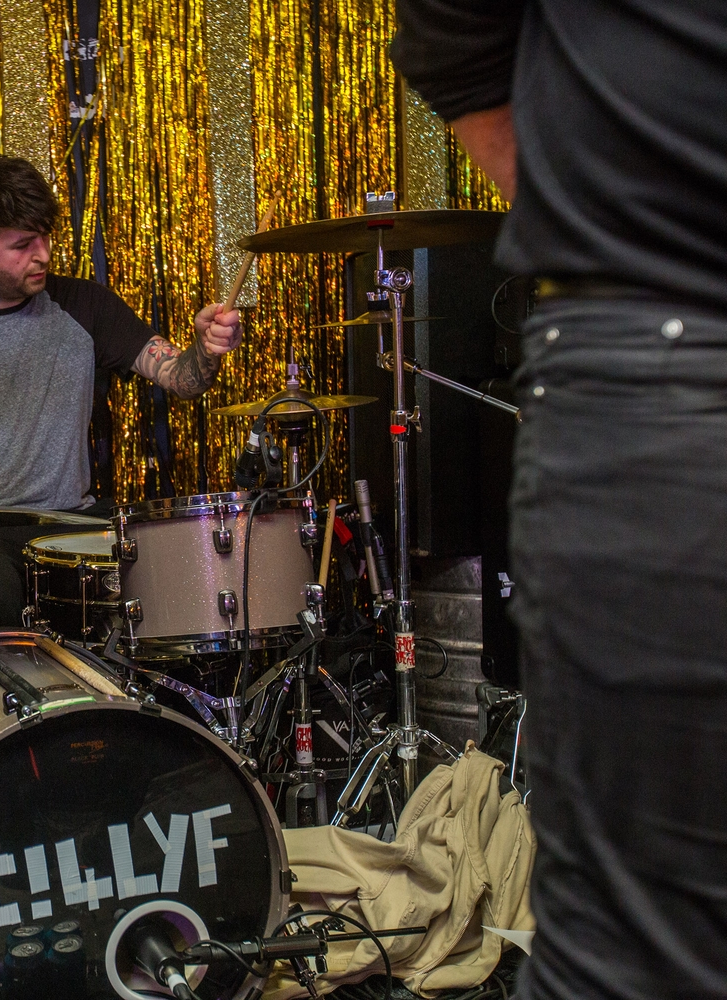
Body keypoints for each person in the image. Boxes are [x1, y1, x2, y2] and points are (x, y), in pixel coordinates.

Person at [392, 4, 727, 999]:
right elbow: (452, 36)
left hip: (654, 361)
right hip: (673, 357)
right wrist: (623, 219)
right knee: (647, 951)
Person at [0, 156, 243, 635]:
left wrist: (207, 349)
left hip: (73, 520)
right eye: (23, 245)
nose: (43, 254)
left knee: (176, 569)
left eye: (45, 237)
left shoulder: (84, 305)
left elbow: (180, 377)